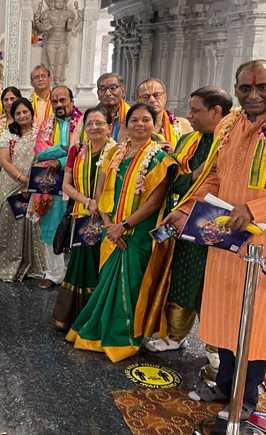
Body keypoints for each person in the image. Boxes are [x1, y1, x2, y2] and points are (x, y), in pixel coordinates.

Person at [164, 60, 266, 420]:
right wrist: (186, 208)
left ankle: (247, 396)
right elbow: (213, 179)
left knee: (256, 321)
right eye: (245, 88)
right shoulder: (229, 124)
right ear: (236, 89)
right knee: (227, 315)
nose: (254, 95)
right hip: (226, 239)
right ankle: (225, 383)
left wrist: (258, 209)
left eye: (262, 88)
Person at [66, 103, 177, 363]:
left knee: (131, 285)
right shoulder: (116, 153)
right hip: (111, 229)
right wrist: (109, 224)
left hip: (138, 233)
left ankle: (123, 338)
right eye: (134, 120)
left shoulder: (161, 159)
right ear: (125, 125)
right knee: (107, 282)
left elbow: (154, 202)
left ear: (156, 124)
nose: (139, 124)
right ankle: (97, 331)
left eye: (146, 120)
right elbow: (102, 191)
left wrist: (124, 226)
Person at [145, 87, 232, 374]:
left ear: (216, 112)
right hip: (185, 220)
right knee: (182, 276)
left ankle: (216, 348)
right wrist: (193, 177)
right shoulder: (186, 141)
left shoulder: (232, 141)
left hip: (220, 225)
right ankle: (175, 336)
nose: (189, 115)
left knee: (214, 286)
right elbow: (174, 182)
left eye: (195, 111)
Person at [51, 107, 115, 330]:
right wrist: (88, 201)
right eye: (90, 124)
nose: (95, 127)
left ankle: (97, 321)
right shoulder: (77, 151)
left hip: (108, 219)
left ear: (110, 126)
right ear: (84, 127)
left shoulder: (117, 153)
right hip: (82, 216)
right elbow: (66, 185)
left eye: (100, 123)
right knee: (80, 268)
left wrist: (101, 205)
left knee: (102, 268)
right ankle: (74, 319)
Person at [0, 98, 47, 281]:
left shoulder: (41, 134)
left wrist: (32, 185)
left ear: (31, 113)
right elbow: (5, 161)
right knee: (9, 223)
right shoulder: (8, 135)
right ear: (13, 116)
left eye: (25, 112)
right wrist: (23, 179)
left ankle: (32, 265)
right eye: (18, 113)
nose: (22, 116)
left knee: (31, 223)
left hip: (33, 186)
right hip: (11, 186)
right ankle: (5, 264)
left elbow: (44, 158)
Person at [33, 86, 84, 289]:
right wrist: (63, 149)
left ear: (72, 101)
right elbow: (39, 152)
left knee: (74, 226)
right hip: (51, 186)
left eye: (63, 100)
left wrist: (60, 162)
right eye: (55, 102)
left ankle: (71, 273)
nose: (59, 105)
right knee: (49, 227)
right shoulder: (47, 124)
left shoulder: (83, 124)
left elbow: (83, 150)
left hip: (76, 183)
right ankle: (53, 274)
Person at [135, 78, 192, 147]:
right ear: (137, 101)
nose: (152, 100)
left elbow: (192, 155)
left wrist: (174, 154)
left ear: (165, 97)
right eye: (145, 97)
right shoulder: (131, 128)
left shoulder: (182, 125)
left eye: (156, 95)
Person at [96, 72, 130, 142]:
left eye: (113, 87)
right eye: (102, 88)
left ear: (123, 91)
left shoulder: (131, 117)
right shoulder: (88, 118)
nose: (108, 93)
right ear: (98, 93)